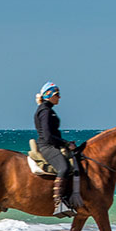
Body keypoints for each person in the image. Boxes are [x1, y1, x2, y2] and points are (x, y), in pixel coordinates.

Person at [34, 82, 77, 217]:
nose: (59, 97)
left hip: (52, 145)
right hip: (47, 146)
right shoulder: (45, 111)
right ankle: (59, 203)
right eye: (57, 94)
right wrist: (65, 144)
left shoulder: (48, 109)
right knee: (63, 168)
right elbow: (48, 136)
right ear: (49, 95)